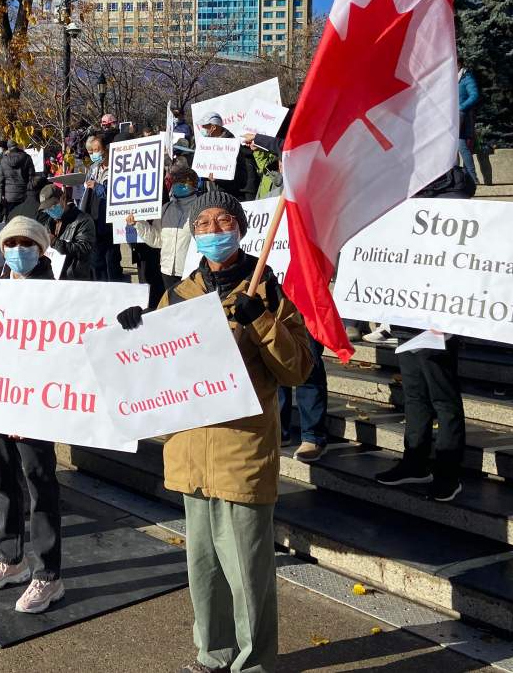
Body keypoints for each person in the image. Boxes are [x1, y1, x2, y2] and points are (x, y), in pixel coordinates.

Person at [116, 191, 312, 672]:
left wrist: (261, 319)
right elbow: (154, 369)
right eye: (203, 223)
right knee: (202, 570)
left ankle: (254, 663)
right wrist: (134, 331)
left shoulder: (269, 288)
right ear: (194, 234)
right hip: (188, 453)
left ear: (240, 228)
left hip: (240, 450)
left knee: (248, 572)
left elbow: (297, 370)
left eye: (223, 220)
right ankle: (213, 655)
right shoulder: (177, 295)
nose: (213, 229)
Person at [0, 215, 64, 613]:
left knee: (39, 483)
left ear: (41, 249)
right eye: (10, 244)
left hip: (36, 405)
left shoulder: (60, 293)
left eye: (26, 244)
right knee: (2, 480)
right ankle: (11, 560)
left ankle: (48, 575)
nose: (17, 251)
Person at [373, 166, 473, 502]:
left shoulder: (454, 196)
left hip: (440, 318)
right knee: (414, 393)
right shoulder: (409, 190)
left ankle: (448, 472)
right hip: (407, 312)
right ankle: (415, 462)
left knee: (442, 396)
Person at [131, 163, 203, 294]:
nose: (179, 185)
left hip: (190, 272)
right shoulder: (166, 209)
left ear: (194, 185)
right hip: (167, 271)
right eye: (176, 182)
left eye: (184, 182)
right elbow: (157, 240)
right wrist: (138, 223)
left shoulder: (201, 209)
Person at [79, 135, 123, 282]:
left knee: (111, 262)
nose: (94, 154)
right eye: (91, 152)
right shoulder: (92, 168)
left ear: (106, 149)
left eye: (97, 150)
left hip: (110, 223)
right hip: (93, 220)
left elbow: (116, 193)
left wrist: (97, 187)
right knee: (96, 262)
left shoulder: (118, 167)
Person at [198, 112, 260, 201]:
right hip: (220, 193)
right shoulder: (209, 145)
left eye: (204, 126)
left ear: (213, 127)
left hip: (236, 196)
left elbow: (239, 176)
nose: (202, 128)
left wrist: (218, 179)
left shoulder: (231, 146)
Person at [40, 185, 94, 280]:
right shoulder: (49, 222)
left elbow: (85, 249)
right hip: (55, 276)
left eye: (53, 206)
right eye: (46, 209)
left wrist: (55, 242)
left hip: (74, 277)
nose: (50, 211)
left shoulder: (83, 220)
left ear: (63, 199)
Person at [0, 141, 35, 219]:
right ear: (18, 146)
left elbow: (1, 179)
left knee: (10, 220)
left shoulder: (3, 160)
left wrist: (2, 194)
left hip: (9, 196)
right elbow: (31, 176)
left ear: (8, 148)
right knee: (25, 219)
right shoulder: (27, 157)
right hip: (24, 194)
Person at [457, 67, 480, 185]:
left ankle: (472, 177)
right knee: (452, 147)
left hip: (462, 117)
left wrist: (460, 108)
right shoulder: (448, 76)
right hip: (449, 116)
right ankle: (454, 176)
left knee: (461, 145)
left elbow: (474, 95)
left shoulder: (466, 77)